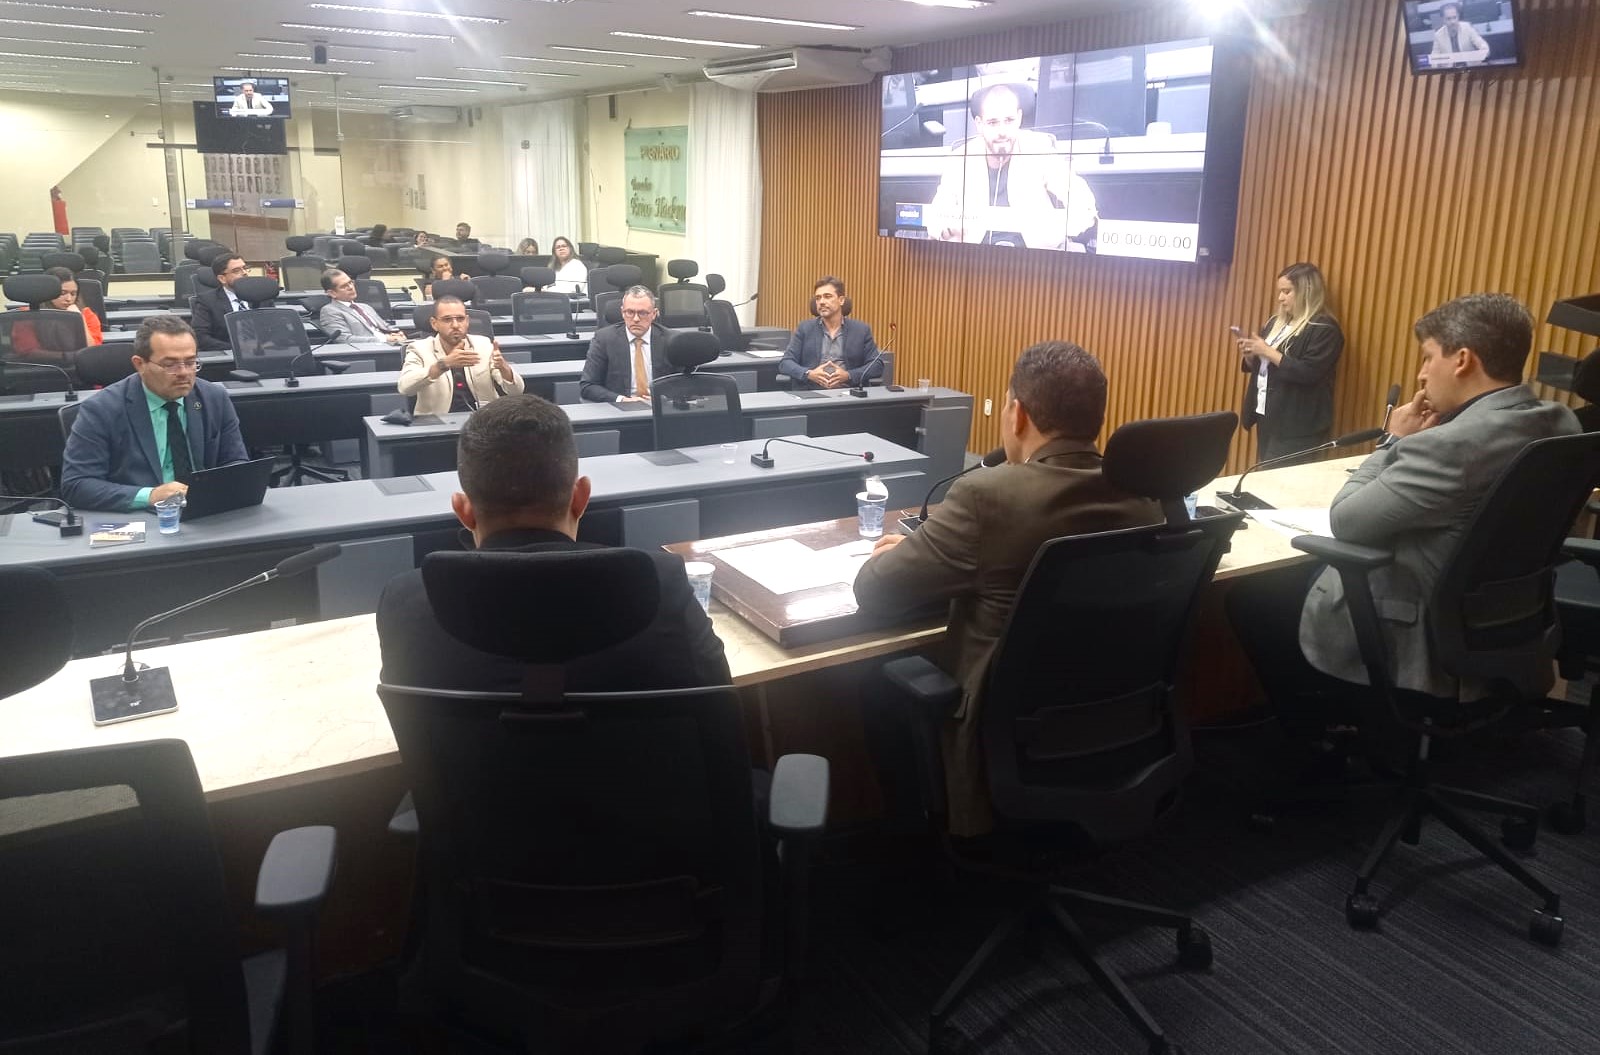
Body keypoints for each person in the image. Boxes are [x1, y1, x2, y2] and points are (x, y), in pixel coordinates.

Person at [1227, 293, 1580, 745]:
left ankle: (1326, 733)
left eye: (1428, 357)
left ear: (1463, 360)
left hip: (1426, 627)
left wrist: (1391, 442)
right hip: (1508, 616)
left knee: (1254, 598)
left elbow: (1346, 520)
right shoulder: (1559, 423)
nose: (1421, 374)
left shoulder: (1448, 447)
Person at [852, 341, 1164, 835]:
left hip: (1002, 735)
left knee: (873, 682)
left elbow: (875, 592)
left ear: (1017, 415)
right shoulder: (1145, 493)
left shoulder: (986, 495)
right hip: (1111, 719)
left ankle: (916, 845)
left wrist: (909, 551)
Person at [376, 393, 730, 693]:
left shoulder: (407, 601)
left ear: (463, 512)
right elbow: (718, 702)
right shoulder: (662, 585)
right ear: (581, 498)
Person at [59, 315, 248, 511]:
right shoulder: (101, 409)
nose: (184, 372)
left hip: (204, 513)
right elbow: (77, 485)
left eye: (190, 362)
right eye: (170, 364)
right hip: (141, 516)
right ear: (140, 364)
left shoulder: (214, 398)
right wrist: (150, 496)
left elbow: (235, 462)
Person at [926, 82, 1097, 251]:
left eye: (1009, 120)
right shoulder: (959, 159)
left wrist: (1063, 226)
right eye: (993, 122)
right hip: (977, 256)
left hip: (1033, 257)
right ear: (979, 124)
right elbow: (936, 214)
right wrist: (945, 230)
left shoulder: (1039, 148)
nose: (1002, 131)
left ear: (1019, 118)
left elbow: (1081, 198)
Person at [1236, 262, 1345, 461]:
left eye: (1287, 292)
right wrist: (1251, 355)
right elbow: (1266, 367)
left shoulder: (1324, 328)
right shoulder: (1274, 323)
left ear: (1306, 291)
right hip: (1267, 415)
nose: (1280, 298)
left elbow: (1309, 372)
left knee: (1280, 478)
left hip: (1297, 425)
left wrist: (1267, 351)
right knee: (1265, 475)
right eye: (1280, 291)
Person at [398, 296, 524, 416]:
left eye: (460, 319)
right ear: (434, 323)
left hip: (482, 420)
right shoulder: (419, 349)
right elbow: (405, 387)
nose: (455, 325)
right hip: (437, 423)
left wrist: (504, 368)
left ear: (467, 321)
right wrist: (442, 365)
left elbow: (516, 391)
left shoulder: (483, 345)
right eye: (447, 319)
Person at [778, 276, 882, 390]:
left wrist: (849, 375)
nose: (821, 302)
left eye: (827, 296)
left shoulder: (860, 330)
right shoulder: (805, 328)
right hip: (811, 391)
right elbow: (785, 363)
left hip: (848, 392)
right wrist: (809, 374)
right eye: (818, 298)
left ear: (841, 300)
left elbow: (877, 365)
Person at [579, 285, 671, 403]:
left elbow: (684, 383)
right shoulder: (604, 339)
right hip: (621, 408)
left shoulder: (670, 340)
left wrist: (666, 398)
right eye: (630, 312)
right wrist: (622, 400)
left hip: (660, 406)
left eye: (642, 313)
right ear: (622, 312)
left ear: (654, 314)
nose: (636, 319)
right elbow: (588, 386)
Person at [12, 267, 102, 358]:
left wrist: (80, 318)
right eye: (62, 293)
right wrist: (66, 357)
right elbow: (29, 352)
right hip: (41, 366)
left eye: (73, 294)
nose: (69, 299)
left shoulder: (87, 315)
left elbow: (91, 351)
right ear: (47, 291)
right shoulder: (26, 315)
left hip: (78, 365)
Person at [318, 269, 405, 345]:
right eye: (344, 286)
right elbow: (344, 339)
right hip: (369, 351)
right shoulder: (330, 311)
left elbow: (385, 326)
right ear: (332, 293)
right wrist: (385, 339)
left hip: (392, 345)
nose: (351, 287)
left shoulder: (365, 307)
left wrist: (397, 333)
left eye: (350, 282)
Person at [189, 253, 254, 352]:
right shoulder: (207, 301)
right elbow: (200, 337)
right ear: (222, 278)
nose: (244, 273)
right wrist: (237, 349)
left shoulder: (261, 296)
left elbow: (276, 330)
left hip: (265, 353)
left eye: (245, 268)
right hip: (229, 354)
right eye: (237, 271)